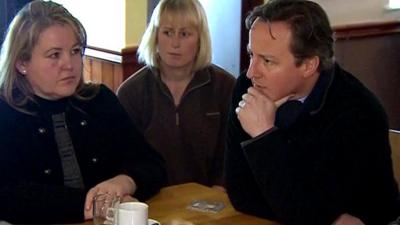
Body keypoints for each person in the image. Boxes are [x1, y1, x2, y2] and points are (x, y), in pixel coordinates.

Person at [224, 0, 400, 225]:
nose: (251, 72)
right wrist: (316, 212)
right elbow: (241, 195)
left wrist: (263, 136)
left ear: (308, 65)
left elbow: (308, 213)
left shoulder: (358, 113)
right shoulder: (248, 88)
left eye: (267, 61)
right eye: (251, 55)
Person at [0, 1, 166, 223]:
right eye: (54, 55)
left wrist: (124, 182)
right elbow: (9, 194)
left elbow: (153, 165)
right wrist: (89, 204)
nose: (70, 64)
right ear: (22, 62)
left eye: (75, 51)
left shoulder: (99, 101)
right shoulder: (5, 112)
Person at [117, 0, 235, 188]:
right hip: (149, 202)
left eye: (184, 34)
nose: (175, 43)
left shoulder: (225, 87)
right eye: (167, 32)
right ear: (155, 36)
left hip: (211, 201)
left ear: (200, 38)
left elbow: (230, 156)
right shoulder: (131, 92)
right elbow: (125, 160)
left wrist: (217, 194)